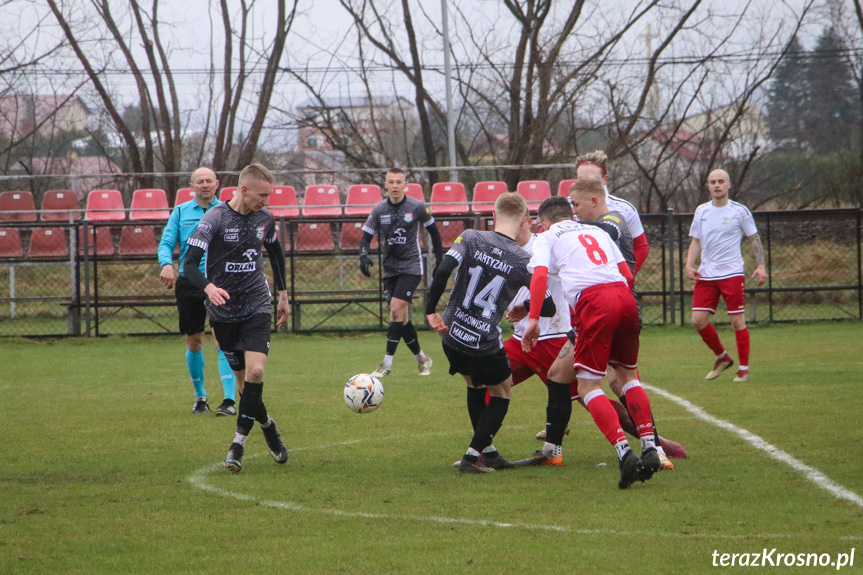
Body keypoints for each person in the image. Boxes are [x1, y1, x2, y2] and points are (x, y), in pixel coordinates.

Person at [521, 192, 659, 489]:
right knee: (627, 377)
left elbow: (540, 275)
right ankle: (650, 447)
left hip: (595, 302)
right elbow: (627, 274)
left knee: (587, 386)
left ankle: (625, 454)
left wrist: (533, 319)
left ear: (544, 223)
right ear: (570, 215)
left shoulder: (547, 237)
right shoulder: (595, 230)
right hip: (624, 297)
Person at [425, 192, 555, 474]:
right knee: (503, 391)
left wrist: (430, 309)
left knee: (475, 386)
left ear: (493, 216)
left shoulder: (470, 237)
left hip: (452, 333)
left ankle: (490, 453)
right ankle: (473, 457)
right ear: (523, 221)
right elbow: (548, 305)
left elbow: (443, 269)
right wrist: (524, 306)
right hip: (482, 341)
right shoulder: (523, 259)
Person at [183, 164, 290, 474]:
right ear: (244, 190)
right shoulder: (215, 218)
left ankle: (237, 445)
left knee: (256, 372)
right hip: (224, 311)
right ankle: (268, 425)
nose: (267, 201)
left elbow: (276, 254)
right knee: (246, 389)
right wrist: (209, 287)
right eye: (262, 195)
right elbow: (188, 264)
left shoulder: (265, 219)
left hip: (257, 304)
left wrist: (282, 296)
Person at [157, 167, 237, 415]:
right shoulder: (181, 212)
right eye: (199, 181)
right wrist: (167, 264)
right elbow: (167, 242)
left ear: (217, 184)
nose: (204, 185)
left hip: (219, 281)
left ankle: (229, 400)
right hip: (190, 283)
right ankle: (200, 397)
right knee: (194, 340)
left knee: (223, 338)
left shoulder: (227, 211)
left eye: (209, 181)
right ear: (191, 186)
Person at [359, 167, 443, 378]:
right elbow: (365, 237)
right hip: (390, 269)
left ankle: (386, 364)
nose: (395, 185)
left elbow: (435, 233)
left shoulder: (417, 207)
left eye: (399, 182)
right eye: (391, 182)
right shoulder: (379, 210)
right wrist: (363, 255)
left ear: (406, 185)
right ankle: (422, 359)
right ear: (385, 185)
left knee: (395, 310)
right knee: (401, 319)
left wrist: (440, 259)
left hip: (411, 267)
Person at [686, 168, 767, 382]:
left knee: (737, 322)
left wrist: (761, 266)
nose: (717, 185)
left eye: (721, 181)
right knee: (698, 320)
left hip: (731, 273)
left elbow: (754, 238)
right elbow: (696, 240)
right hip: (706, 275)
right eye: (713, 182)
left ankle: (744, 370)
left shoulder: (739, 211)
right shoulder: (701, 211)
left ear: (729, 185)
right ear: (708, 186)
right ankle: (722, 357)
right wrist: (689, 264)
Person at [574, 150, 649, 275]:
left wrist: (626, 276)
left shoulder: (624, 209)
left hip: (612, 280)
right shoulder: (565, 207)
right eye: (581, 180)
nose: (586, 184)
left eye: (592, 179)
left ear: (605, 179)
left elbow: (641, 246)